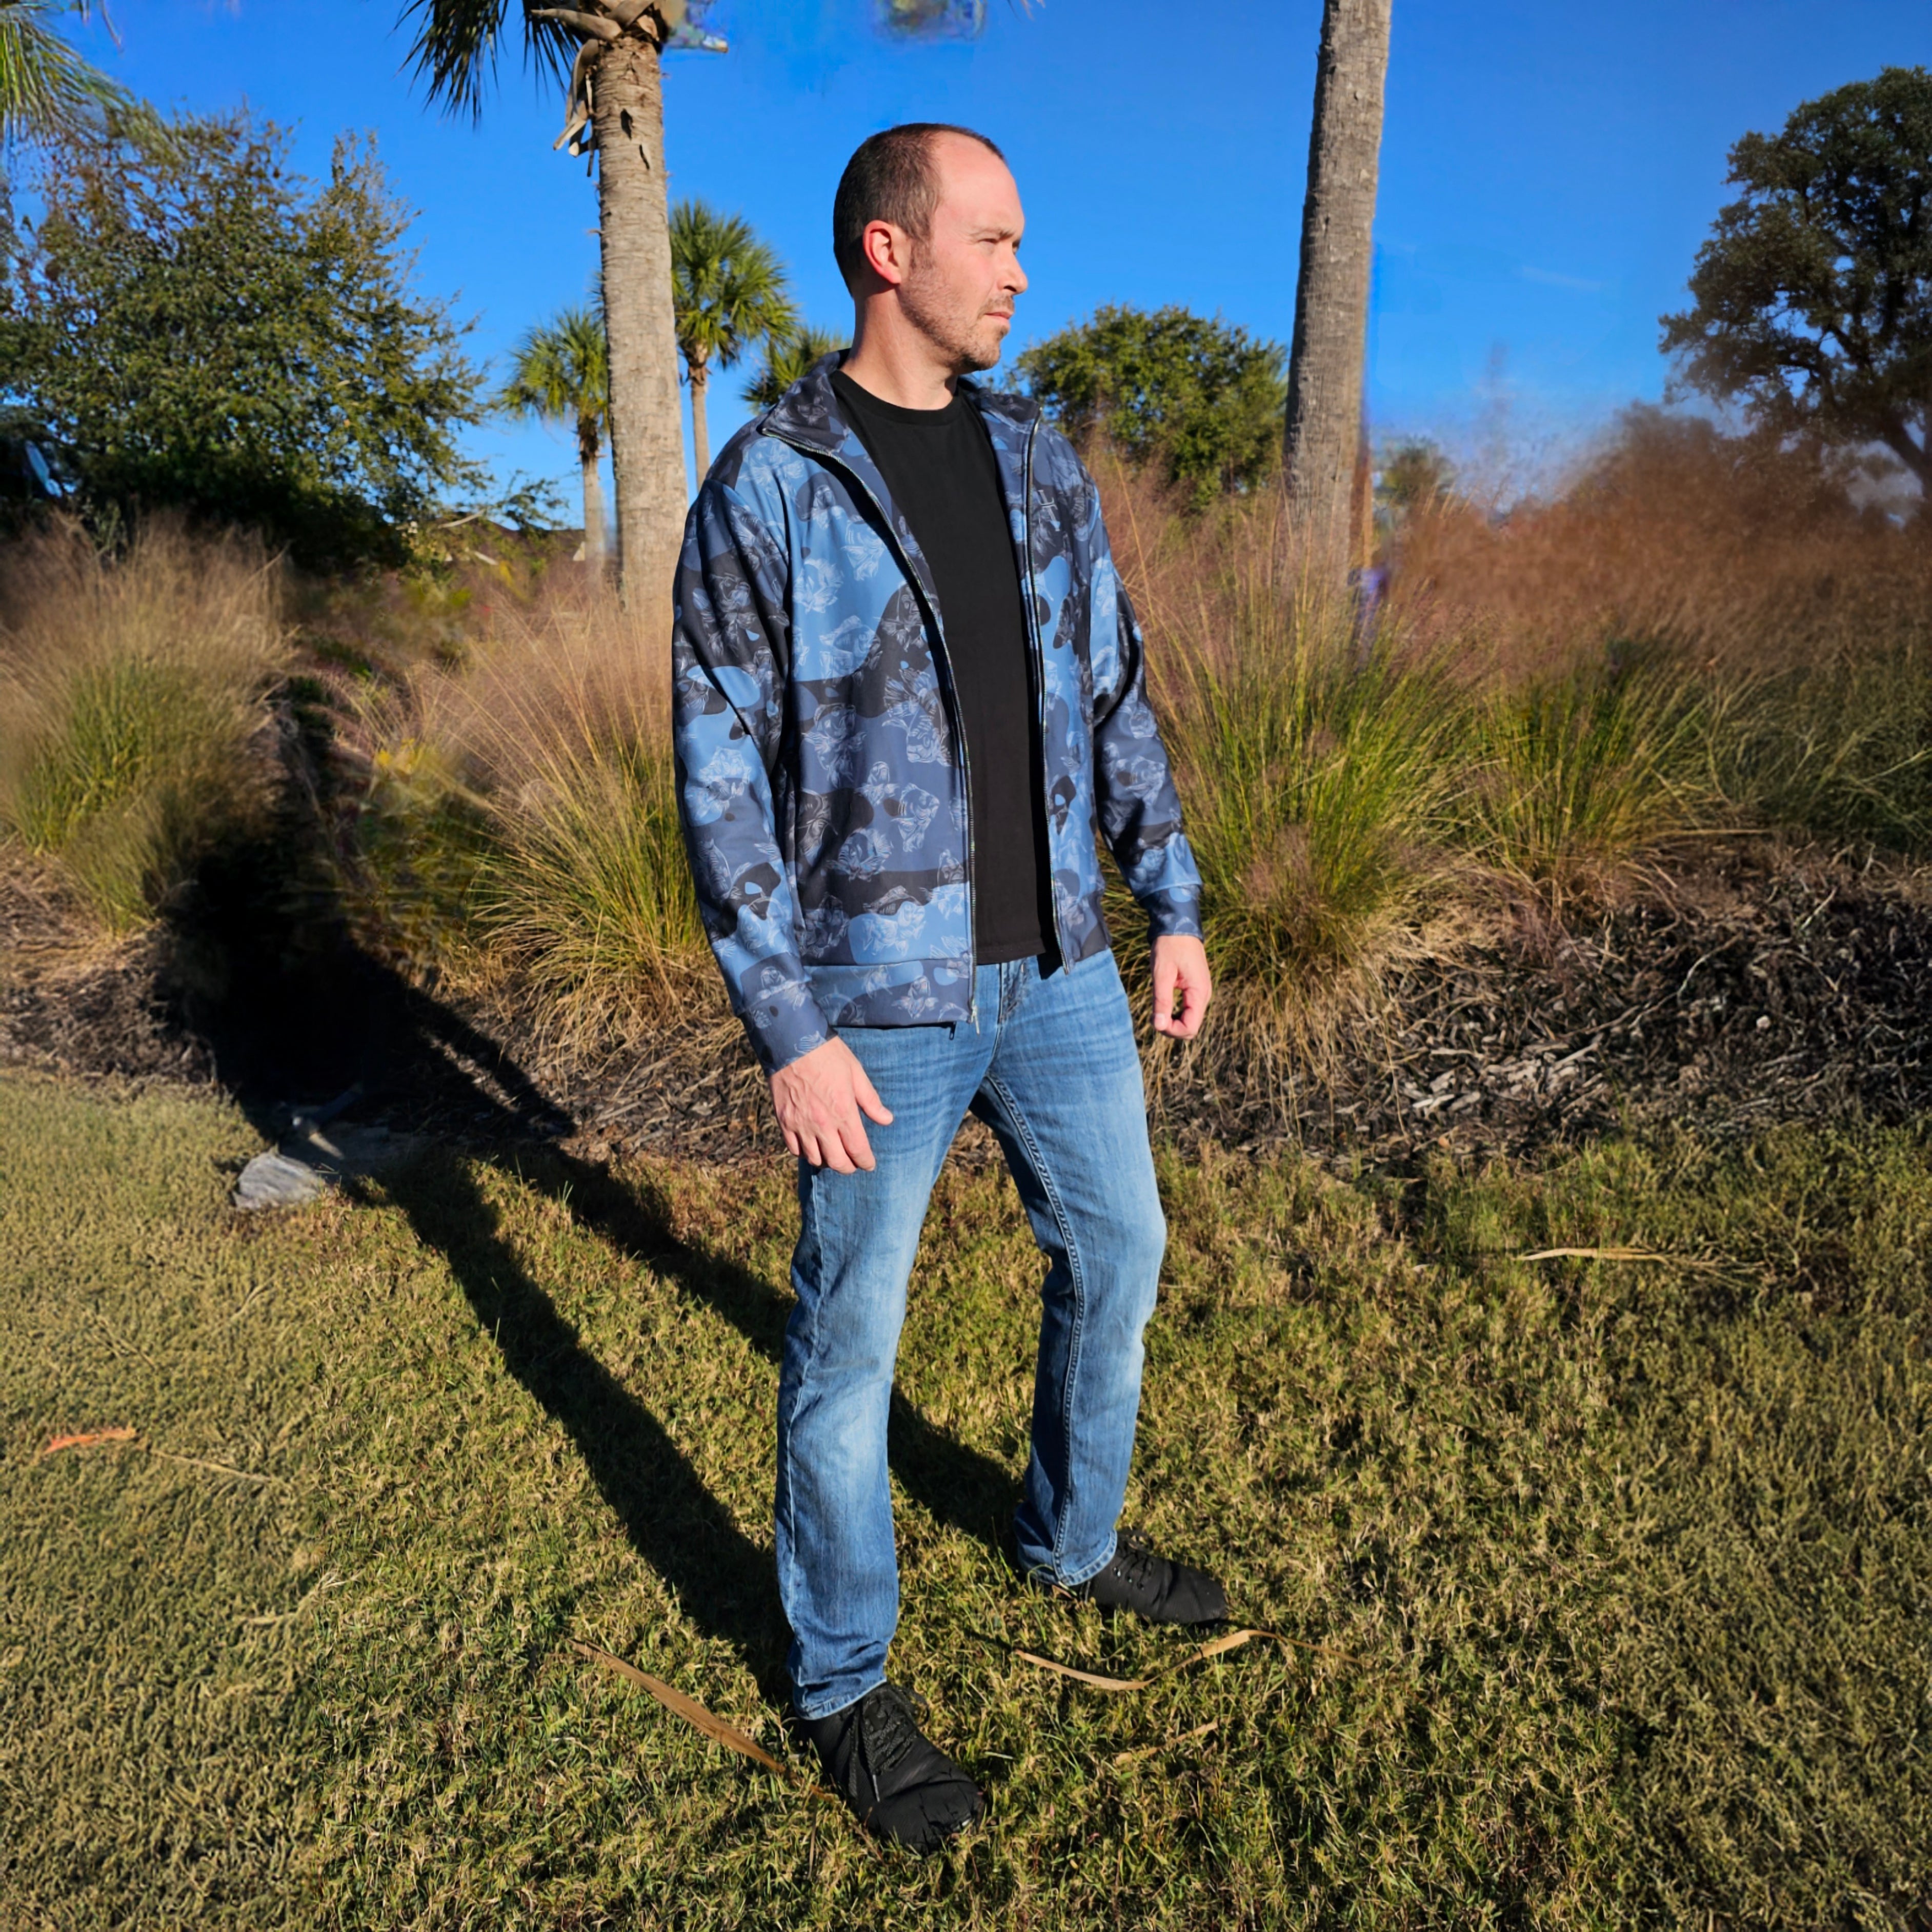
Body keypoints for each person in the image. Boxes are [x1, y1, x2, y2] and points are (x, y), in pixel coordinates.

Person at [671, 122, 1225, 1855]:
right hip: (874, 1005)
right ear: (890, 251)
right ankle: (842, 1683)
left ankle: (1070, 1538)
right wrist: (790, 1027)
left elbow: (1115, 690)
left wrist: (1176, 900)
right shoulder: (771, 482)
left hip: (1057, 970)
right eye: (996, 237)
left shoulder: (1039, 456)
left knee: (1119, 1248)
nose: (1023, 269)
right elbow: (717, 777)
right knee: (848, 1350)